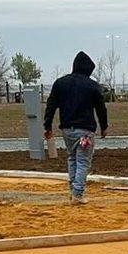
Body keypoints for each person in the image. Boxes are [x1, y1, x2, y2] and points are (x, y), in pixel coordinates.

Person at [42, 51, 110, 202]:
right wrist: (104, 126)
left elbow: (51, 106)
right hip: (85, 131)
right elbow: (101, 108)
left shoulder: (60, 83)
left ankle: (73, 190)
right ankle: (78, 193)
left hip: (67, 129)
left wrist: (47, 126)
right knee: (83, 161)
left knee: (72, 158)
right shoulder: (93, 86)